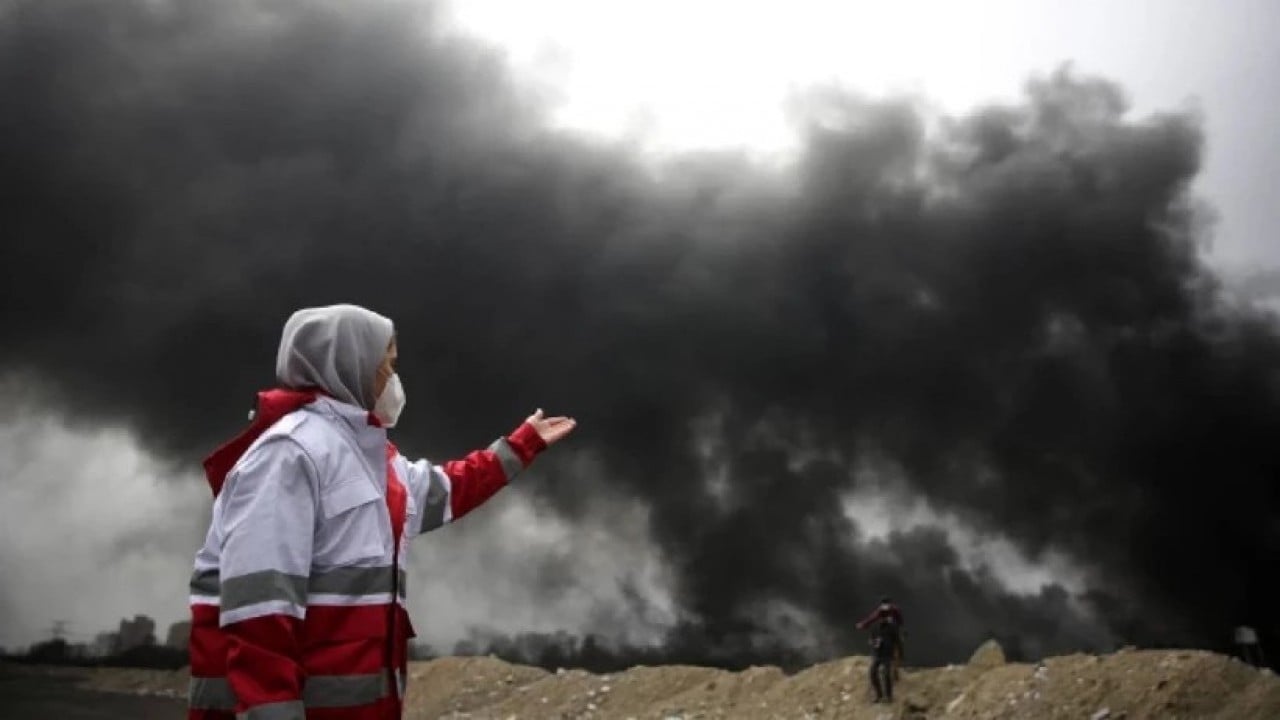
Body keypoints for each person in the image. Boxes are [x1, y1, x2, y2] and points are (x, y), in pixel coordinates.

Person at [185, 304, 577, 720]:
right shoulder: (290, 452)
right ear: (348, 366)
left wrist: (520, 447)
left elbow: (443, 491)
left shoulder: (370, 455)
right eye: (385, 365)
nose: (393, 379)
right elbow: (260, 610)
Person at [857, 596, 904, 698]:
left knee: (897, 648)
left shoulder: (895, 610)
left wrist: (897, 628)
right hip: (882, 636)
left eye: (887, 605)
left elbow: (900, 621)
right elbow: (872, 618)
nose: (885, 608)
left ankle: (897, 669)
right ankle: (880, 693)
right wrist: (863, 624)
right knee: (875, 670)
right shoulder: (879, 612)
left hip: (894, 630)